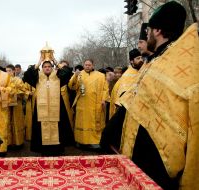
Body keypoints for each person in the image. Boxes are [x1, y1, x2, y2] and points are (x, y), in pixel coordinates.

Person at [101, 1, 199, 189]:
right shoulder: (159, 60)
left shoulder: (168, 65)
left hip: (156, 165)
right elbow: (135, 101)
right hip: (145, 160)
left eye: (148, 31)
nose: (146, 35)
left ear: (157, 31)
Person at [23, 57, 75, 156]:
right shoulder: (37, 77)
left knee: (58, 127)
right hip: (41, 108)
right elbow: (26, 76)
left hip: (57, 108)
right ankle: (43, 149)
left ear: (52, 67)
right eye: (45, 67)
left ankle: (58, 149)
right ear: (42, 68)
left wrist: (55, 61)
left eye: (49, 66)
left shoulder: (58, 76)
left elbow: (68, 72)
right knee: (41, 128)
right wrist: (38, 62)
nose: (47, 68)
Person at [69, 59, 109, 150]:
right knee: (82, 122)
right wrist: (75, 76)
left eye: (89, 65)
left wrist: (103, 99)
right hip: (82, 103)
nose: (87, 66)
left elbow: (105, 89)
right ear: (84, 65)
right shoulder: (79, 74)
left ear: (93, 65)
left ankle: (94, 142)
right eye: (86, 65)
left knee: (94, 122)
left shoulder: (101, 76)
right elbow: (71, 86)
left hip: (96, 104)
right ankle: (80, 141)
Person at [109, 49, 143, 119]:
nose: (141, 60)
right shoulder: (127, 77)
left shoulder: (142, 71)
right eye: (138, 58)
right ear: (131, 61)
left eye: (141, 58)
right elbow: (120, 102)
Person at [6, 64, 27, 148]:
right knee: (8, 122)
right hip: (6, 105)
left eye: (9, 71)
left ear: (14, 71)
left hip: (17, 105)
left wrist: (16, 93)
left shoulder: (18, 80)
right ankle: (8, 142)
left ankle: (18, 142)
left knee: (17, 122)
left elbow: (24, 90)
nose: (7, 73)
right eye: (6, 71)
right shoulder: (4, 81)